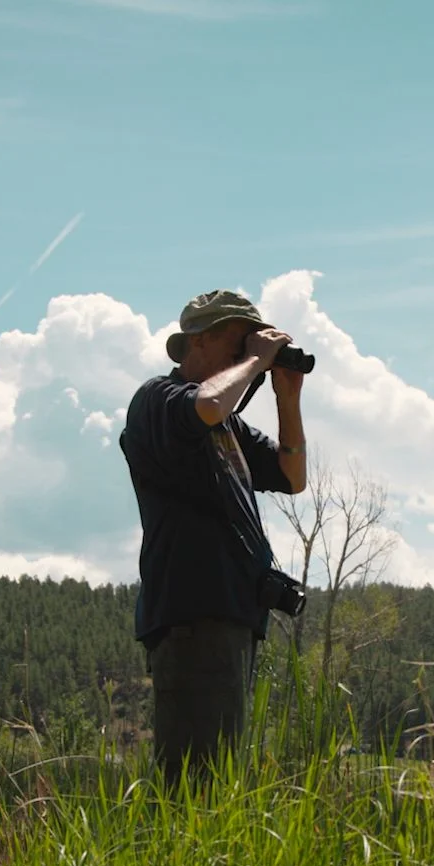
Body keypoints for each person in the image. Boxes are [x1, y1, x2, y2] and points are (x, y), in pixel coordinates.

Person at [118, 289, 308, 786]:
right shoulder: (158, 400)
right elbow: (205, 403)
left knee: (219, 777)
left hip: (232, 615)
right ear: (199, 342)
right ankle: (172, 860)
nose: (248, 354)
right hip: (191, 614)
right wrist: (255, 361)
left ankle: (193, 862)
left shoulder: (231, 427)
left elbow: (293, 476)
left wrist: (287, 396)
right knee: (194, 782)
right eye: (237, 342)